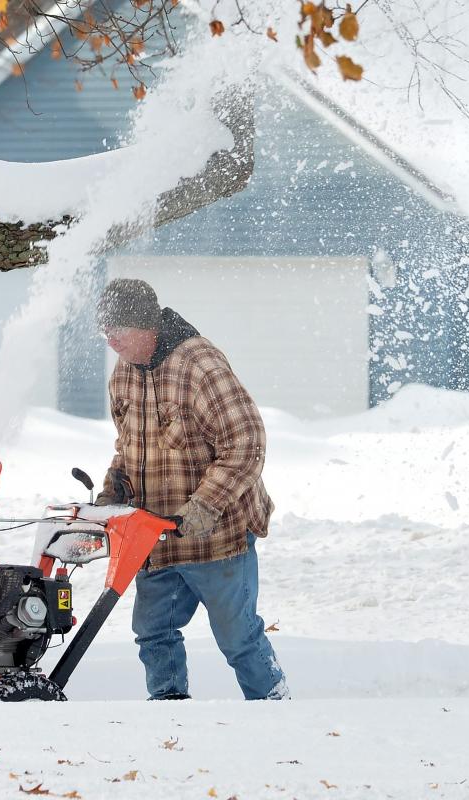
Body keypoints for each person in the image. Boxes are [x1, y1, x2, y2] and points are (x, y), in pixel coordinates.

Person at [93, 278, 288, 701]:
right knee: (153, 634)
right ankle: (169, 715)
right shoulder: (124, 372)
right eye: (104, 331)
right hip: (156, 536)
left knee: (237, 638)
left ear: (145, 326)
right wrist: (114, 488)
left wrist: (204, 506)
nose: (110, 340)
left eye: (118, 330)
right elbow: (127, 443)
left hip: (216, 536)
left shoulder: (200, 366)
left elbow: (247, 442)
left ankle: (274, 707)